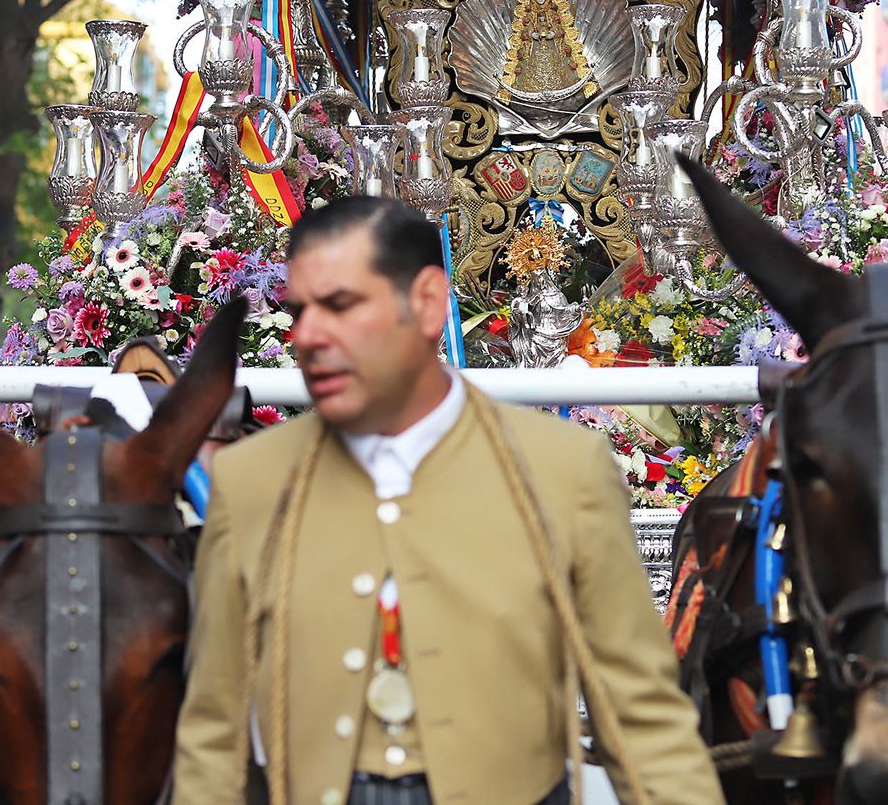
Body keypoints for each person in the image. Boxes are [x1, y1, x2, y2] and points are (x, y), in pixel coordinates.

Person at [174, 196, 719, 805]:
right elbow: (213, 731)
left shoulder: (562, 471)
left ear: (429, 303)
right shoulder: (252, 479)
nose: (307, 335)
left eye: (340, 305)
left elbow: (641, 718)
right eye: (298, 311)